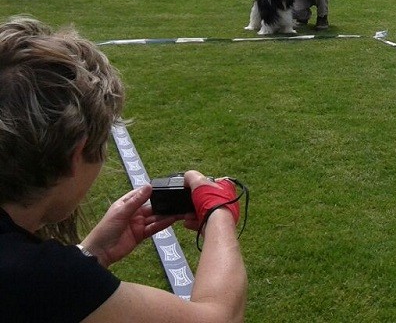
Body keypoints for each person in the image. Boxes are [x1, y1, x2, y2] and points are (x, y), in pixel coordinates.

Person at [0, 16, 247, 322]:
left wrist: (92, 253)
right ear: (77, 154)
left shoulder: (33, 273)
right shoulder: (38, 277)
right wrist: (218, 209)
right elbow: (217, 318)